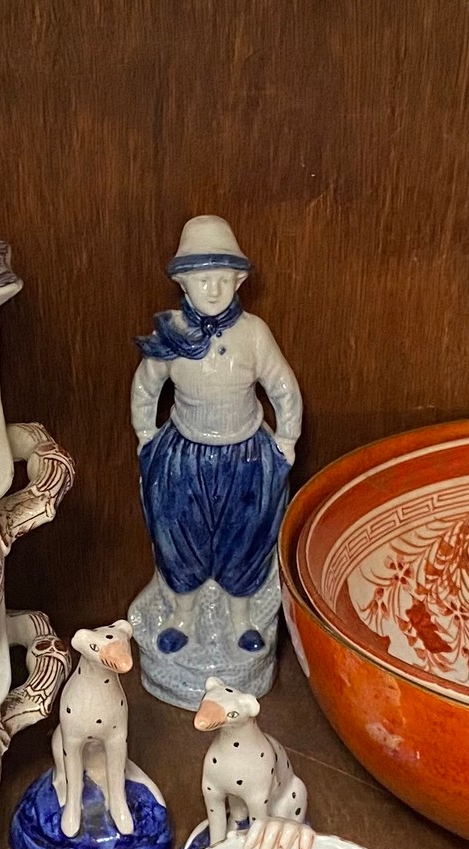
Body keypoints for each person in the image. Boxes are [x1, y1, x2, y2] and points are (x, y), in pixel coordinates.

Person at [131, 215, 303, 674]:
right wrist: (146, 435)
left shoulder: (254, 333)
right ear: (183, 283)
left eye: (222, 279)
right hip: (185, 455)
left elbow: (282, 388)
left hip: (245, 454)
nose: (212, 290)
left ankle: (241, 618)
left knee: (245, 537)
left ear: (239, 280)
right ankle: (183, 617)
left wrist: (285, 440)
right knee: (179, 536)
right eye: (202, 279)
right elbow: (146, 388)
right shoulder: (170, 331)